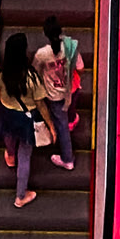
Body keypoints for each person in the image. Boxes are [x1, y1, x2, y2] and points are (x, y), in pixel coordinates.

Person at [0, 33, 56, 210]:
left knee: (9, 138)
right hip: (25, 118)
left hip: (7, 114)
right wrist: (51, 127)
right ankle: (21, 195)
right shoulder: (31, 78)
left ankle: (9, 156)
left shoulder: (1, 74)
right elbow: (41, 105)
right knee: (25, 155)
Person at [32, 16, 81, 173]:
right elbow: (80, 66)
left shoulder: (42, 54)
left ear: (46, 34)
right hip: (70, 89)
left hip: (54, 95)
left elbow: (35, 71)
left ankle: (67, 159)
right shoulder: (70, 46)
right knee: (70, 110)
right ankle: (72, 120)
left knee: (62, 126)